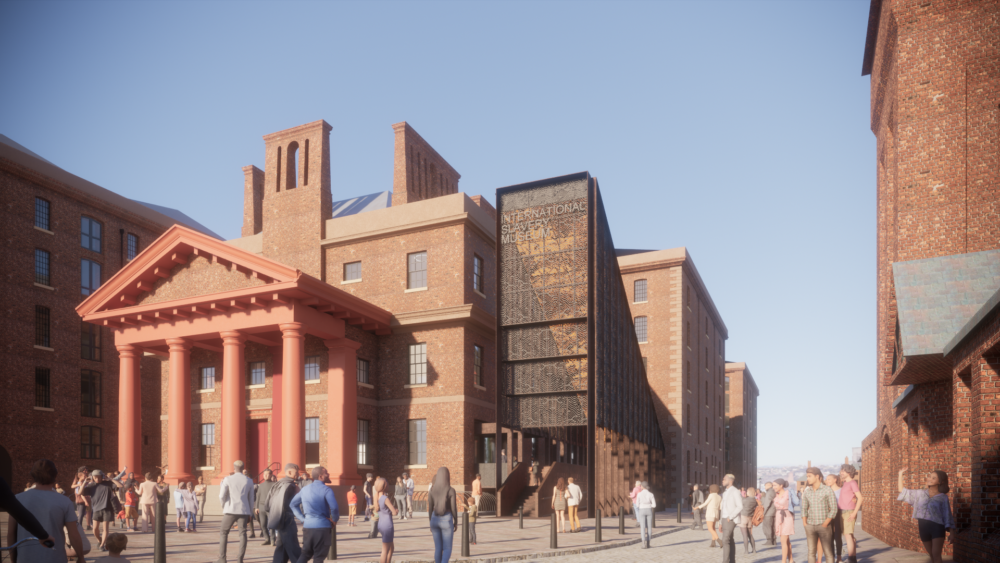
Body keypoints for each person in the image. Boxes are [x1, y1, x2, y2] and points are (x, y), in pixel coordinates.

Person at [7, 459, 83, 563]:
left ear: (33, 475)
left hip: (25, 558)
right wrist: (81, 558)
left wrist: (13, 559)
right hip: (55, 558)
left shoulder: (17, 499)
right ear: (55, 476)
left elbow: (11, 534)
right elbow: (73, 534)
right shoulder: (64, 501)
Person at [897, 466, 954, 563]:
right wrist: (900, 474)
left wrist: (952, 533)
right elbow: (902, 491)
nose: (930, 479)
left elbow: (948, 515)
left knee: (936, 555)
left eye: (933, 478)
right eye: (929, 476)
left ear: (941, 481)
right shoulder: (920, 493)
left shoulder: (943, 498)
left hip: (937, 527)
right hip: (923, 527)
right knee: (931, 555)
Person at [290, 466, 339, 563]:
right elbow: (334, 507)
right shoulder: (327, 490)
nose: (328, 474)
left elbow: (292, 504)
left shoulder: (304, 489)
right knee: (319, 557)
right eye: (326, 473)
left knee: (305, 555)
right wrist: (334, 519)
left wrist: (302, 519)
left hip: (308, 526)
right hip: (322, 527)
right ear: (320, 476)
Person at [217, 460, 255, 563]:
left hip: (230, 509)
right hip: (243, 511)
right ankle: (240, 559)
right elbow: (251, 499)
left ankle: (222, 559)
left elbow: (221, 496)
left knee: (223, 533)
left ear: (234, 468)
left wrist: (224, 506)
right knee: (242, 534)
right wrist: (250, 513)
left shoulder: (227, 479)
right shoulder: (249, 481)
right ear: (243, 468)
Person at [265, 463, 302, 563]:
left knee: (281, 547)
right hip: (287, 519)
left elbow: (268, 504)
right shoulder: (289, 486)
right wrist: (298, 493)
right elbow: (291, 504)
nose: (298, 473)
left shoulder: (278, 484)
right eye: (296, 472)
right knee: (293, 547)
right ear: (289, 472)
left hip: (279, 518)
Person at [801, 468, 837, 563]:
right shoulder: (807, 491)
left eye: (809, 476)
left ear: (817, 476)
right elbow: (803, 508)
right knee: (811, 552)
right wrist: (805, 523)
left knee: (828, 552)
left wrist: (825, 523)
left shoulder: (827, 490)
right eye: (807, 476)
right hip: (810, 525)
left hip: (824, 526)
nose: (807, 478)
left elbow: (833, 509)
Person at [82, 470, 119, 552]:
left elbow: (120, 486)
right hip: (96, 509)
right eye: (95, 477)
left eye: (99, 477)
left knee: (105, 529)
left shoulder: (108, 484)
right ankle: (100, 540)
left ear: (102, 477)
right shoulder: (91, 486)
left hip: (107, 508)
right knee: (95, 529)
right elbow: (81, 492)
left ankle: (102, 545)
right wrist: (85, 482)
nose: (97, 479)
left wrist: (111, 479)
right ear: (92, 477)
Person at [427, 467, 458, 563]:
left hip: (434, 518)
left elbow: (430, 509)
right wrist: (456, 521)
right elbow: (453, 508)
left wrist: (430, 522)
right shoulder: (451, 490)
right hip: (447, 518)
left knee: (438, 548)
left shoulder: (431, 491)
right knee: (447, 548)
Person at [838, 465, 863, 563]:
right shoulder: (845, 483)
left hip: (848, 512)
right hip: (843, 511)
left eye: (843, 471)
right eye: (841, 470)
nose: (841, 472)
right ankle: (853, 558)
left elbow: (860, 498)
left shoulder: (852, 483)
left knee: (847, 535)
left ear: (849, 472)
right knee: (850, 536)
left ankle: (851, 559)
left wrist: (854, 513)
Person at [773, 479, 799, 563]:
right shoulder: (776, 494)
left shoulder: (789, 492)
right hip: (779, 516)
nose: (773, 487)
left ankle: (783, 561)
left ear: (781, 485)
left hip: (787, 516)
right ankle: (791, 560)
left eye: (775, 485)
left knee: (783, 540)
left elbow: (797, 502)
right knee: (786, 541)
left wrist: (793, 493)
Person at [373, 476, 398, 563]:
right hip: (387, 525)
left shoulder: (376, 497)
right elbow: (394, 512)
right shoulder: (385, 499)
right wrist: (396, 510)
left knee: (391, 548)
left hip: (381, 524)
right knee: (385, 550)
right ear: (384, 486)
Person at [720, 474, 742, 563]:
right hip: (724, 519)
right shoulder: (725, 492)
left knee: (725, 540)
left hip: (730, 519)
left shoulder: (735, 491)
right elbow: (723, 508)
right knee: (730, 540)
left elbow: (740, 506)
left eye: (724, 479)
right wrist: (720, 522)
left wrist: (731, 517)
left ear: (730, 481)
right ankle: (732, 561)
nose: (722, 481)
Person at [824, 474, 843, 563]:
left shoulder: (841, 490)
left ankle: (839, 558)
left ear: (835, 480)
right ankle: (831, 558)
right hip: (827, 514)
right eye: (826, 479)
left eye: (829, 479)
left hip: (838, 514)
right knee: (829, 536)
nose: (827, 481)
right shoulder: (825, 490)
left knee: (837, 536)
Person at [255, 469, 276, 545]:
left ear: (271, 475)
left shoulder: (274, 485)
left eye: (267, 474)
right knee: (263, 525)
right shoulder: (261, 485)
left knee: (271, 524)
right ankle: (267, 539)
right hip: (261, 507)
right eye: (264, 474)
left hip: (270, 507)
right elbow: (258, 496)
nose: (266, 476)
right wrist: (257, 507)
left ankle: (273, 540)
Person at [635, 481, 656, 549]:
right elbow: (654, 505)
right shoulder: (651, 494)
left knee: (643, 527)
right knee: (649, 527)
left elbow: (637, 505)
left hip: (642, 510)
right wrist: (649, 505)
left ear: (642, 486)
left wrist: (641, 505)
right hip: (649, 510)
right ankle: (648, 544)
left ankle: (643, 544)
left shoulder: (639, 494)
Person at [739, 486, 758, 554]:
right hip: (750, 518)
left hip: (743, 518)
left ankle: (746, 551)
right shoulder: (755, 501)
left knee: (745, 535)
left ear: (748, 492)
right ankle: (754, 550)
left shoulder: (745, 500)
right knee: (750, 535)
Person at [761, 482, 777, 546]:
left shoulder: (769, 492)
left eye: (765, 486)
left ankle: (769, 540)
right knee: (773, 527)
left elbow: (767, 503)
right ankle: (774, 540)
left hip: (768, 513)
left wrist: (763, 513)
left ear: (769, 485)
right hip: (774, 512)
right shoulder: (774, 491)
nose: (764, 487)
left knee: (767, 527)